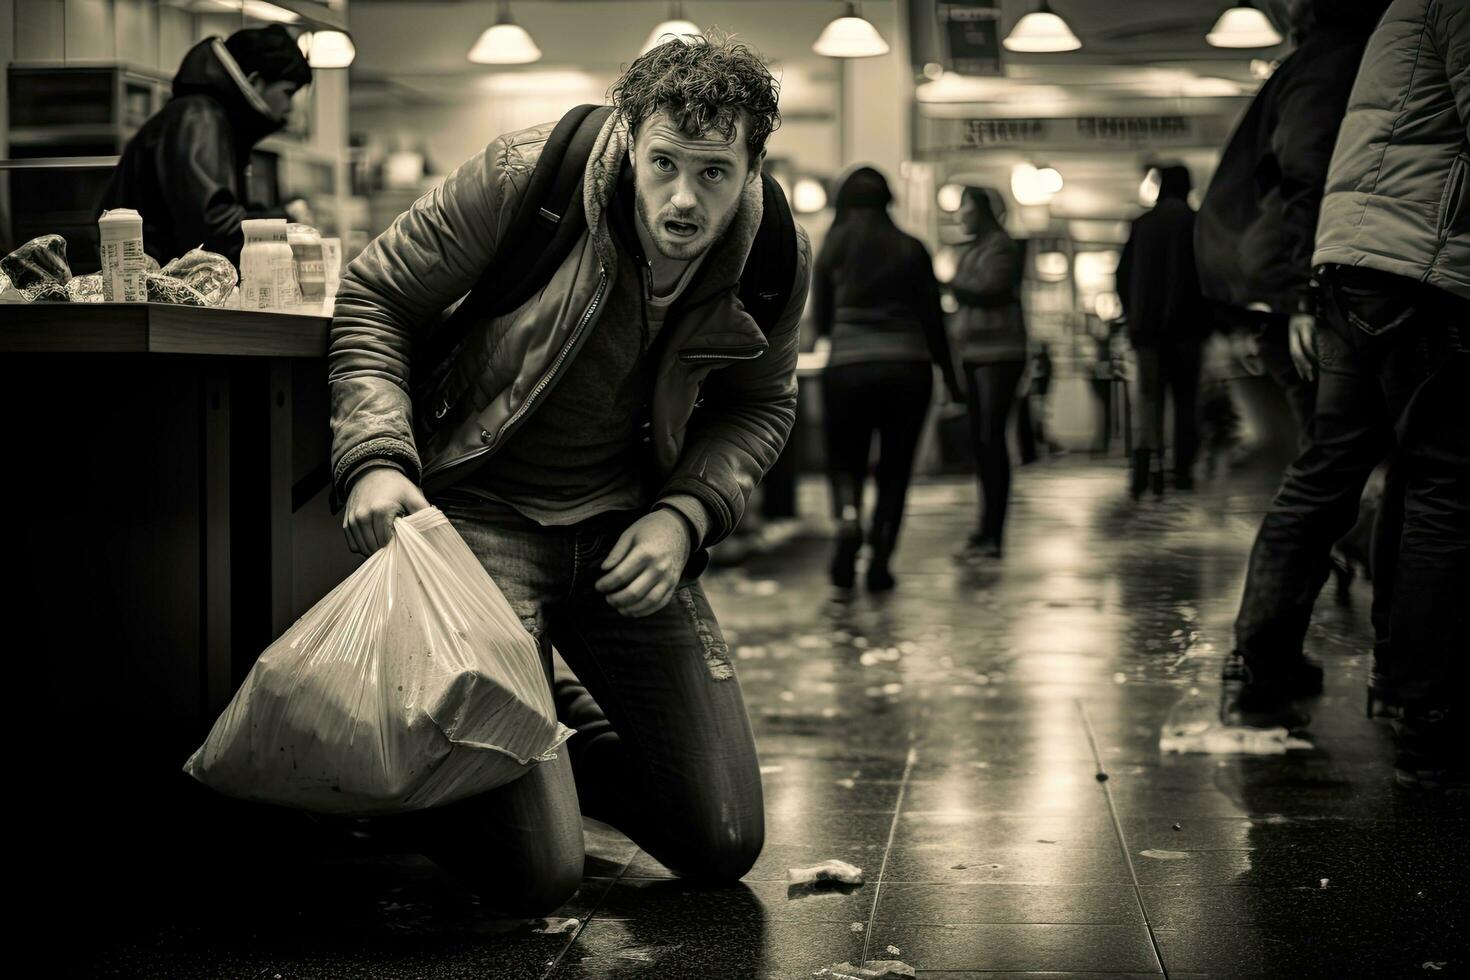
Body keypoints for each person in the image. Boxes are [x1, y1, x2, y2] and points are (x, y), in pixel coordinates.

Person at [327, 36, 810, 910]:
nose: (683, 199)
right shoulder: (528, 176)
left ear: (753, 167)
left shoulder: (772, 252)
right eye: (664, 163)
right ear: (629, 139)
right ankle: (431, 776)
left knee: (722, 839)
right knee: (539, 874)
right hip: (483, 514)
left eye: (714, 174)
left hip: (625, 531)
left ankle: (547, 739)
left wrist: (686, 515)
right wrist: (374, 457)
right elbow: (376, 294)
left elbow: (760, 406)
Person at [1222, 0, 1468, 791]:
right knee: (1439, 485)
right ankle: (1424, 712)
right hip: (1420, 269)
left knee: (1333, 468)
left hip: (1357, 267)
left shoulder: (1372, 34)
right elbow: (1303, 165)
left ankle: (1264, 666)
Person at [1195, 0, 1391, 443]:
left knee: (1336, 447)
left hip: (1273, 277)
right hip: (1290, 281)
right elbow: (1306, 172)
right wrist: (1302, 297)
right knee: (1334, 448)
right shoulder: (1335, 62)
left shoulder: (1310, 63)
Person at [811, 166, 964, 592]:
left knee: (846, 462)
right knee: (895, 469)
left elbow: (821, 322)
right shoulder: (911, 249)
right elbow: (935, 323)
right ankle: (880, 558)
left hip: (848, 368)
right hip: (907, 370)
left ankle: (847, 523)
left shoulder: (832, 250)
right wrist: (952, 380)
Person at [97, 25, 312, 266]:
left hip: (156, 286)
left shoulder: (207, 117)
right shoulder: (200, 119)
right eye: (288, 92)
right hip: (152, 290)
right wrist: (285, 224)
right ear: (255, 80)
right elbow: (212, 227)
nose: (290, 107)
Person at [1117, 164, 1209, 497]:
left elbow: (1121, 277)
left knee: (1147, 399)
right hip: (1187, 332)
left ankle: (1144, 473)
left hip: (1147, 333)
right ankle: (1182, 472)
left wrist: (1132, 315)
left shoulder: (1142, 225)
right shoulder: (1196, 223)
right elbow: (1207, 278)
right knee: (1185, 401)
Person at [950, 187, 1026, 559]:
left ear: (981, 210)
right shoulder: (976, 248)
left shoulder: (999, 246)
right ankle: (985, 530)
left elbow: (990, 288)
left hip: (1000, 353)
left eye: (965, 205)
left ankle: (993, 532)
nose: (960, 212)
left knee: (991, 440)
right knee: (982, 444)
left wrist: (949, 284)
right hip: (976, 354)